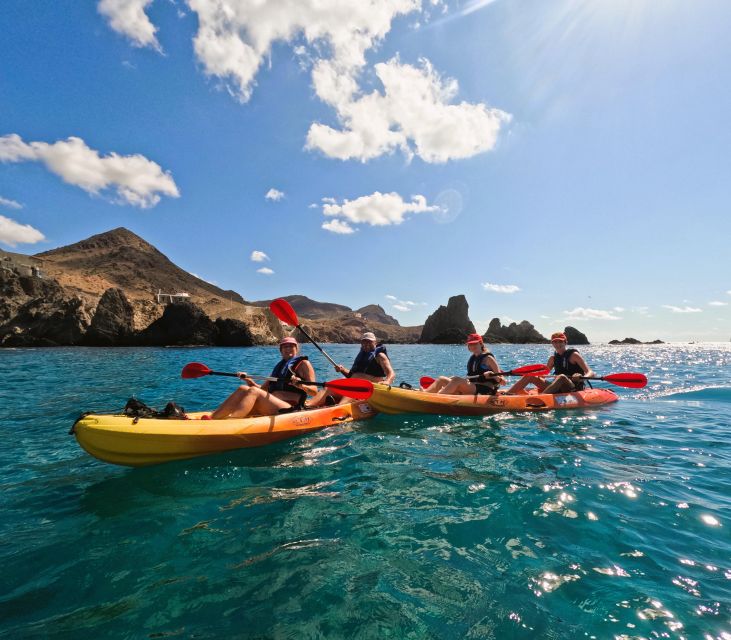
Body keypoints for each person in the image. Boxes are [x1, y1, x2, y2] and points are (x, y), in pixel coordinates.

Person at [210, 336, 317, 419]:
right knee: (243, 388)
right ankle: (213, 418)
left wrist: (301, 385)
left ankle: (233, 422)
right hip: (272, 403)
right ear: (281, 350)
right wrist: (249, 380)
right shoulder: (279, 367)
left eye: (291, 346)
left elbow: (314, 392)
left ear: (296, 348)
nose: (288, 348)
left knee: (253, 391)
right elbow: (261, 390)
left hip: (291, 407)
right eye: (285, 346)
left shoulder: (304, 364)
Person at [308, 332, 395, 406]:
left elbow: (391, 374)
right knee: (329, 386)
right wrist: (342, 370)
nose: (366, 344)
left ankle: (338, 407)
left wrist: (387, 382)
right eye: (364, 342)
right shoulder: (362, 355)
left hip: (369, 389)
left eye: (369, 342)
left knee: (352, 388)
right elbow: (352, 375)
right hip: (354, 385)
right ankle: (308, 405)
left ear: (375, 342)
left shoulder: (380, 356)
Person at [507, 331, 595, 395]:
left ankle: (541, 398)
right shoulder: (552, 358)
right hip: (557, 387)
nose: (558, 344)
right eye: (555, 342)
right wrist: (536, 375)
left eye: (560, 341)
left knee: (562, 377)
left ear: (565, 342)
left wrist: (581, 377)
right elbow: (544, 374)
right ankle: (507, 395)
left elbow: (591, 373)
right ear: (552, 343)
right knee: (530, 376)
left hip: (572, 387)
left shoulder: (574, 355)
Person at [423, 333, 505, 395]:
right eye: (470, 344)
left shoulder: (489, 359)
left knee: (456, 380)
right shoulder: (473, 358)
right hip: (472, 387)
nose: (472, 346)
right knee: (442, 379)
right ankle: (425, 393)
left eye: (475, 343)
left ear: (480, 343)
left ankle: (438, 397)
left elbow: (502, 381)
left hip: (485, 389)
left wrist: (493, 375)